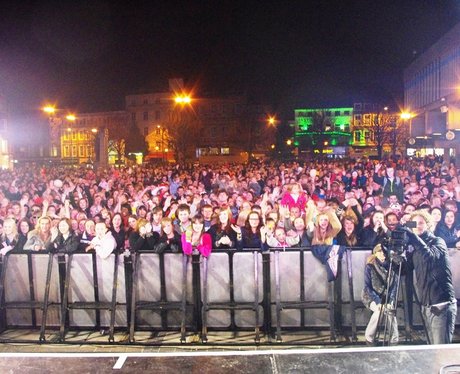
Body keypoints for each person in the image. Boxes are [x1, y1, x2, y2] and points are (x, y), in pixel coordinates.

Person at [405, 210, 457, 344]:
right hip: (426, 305)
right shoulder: (415, 248)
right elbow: (406, 270)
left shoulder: (438, 242)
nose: (417, 226)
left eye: (421, 223)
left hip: (442, 305)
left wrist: (414, 238)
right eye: (414, 224)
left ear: (428, 225)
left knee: (440, 350)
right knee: (431, 350)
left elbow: (430, 256)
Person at [362, 243, 399, 345]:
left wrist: (390, 300)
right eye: (379, 252)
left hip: (387, 297)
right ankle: (369, 338)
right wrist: (378, 302)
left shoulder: (392, 266)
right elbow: (368, 287)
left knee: (389, 310)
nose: (382, 254)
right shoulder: (370, 267)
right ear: (375, 253)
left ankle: (394, 339)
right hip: (371, 297)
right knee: (379, 311)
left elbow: (394, 287)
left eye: (383, 252)